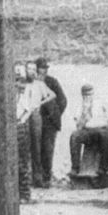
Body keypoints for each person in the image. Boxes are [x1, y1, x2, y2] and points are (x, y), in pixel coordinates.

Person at [69, 83, 108, 185]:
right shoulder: (80, 107)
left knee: (104, 136)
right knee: (74, 136)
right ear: (82, 95)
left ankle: (104, 167)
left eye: (89, 94)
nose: (87, 97)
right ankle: (75, 167)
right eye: (85, 95)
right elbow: (78, 127)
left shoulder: (100, 102)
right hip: (88, 132)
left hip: (101, 129)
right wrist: (84, 115)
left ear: (93, 94)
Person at [36, 57, 67, 188]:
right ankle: (37, 178)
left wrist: (55, 114)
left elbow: (63, 100)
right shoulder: (32, 82)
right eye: (41, 68)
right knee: (36, 149)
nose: (43, 71)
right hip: (36, 119)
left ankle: (47, 178)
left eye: (45, 68)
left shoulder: (52, 82)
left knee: (47, 149)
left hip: (49, 122)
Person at [24, 60, 55, 188]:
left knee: (36, 147)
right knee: (24, 146)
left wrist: (41, 104)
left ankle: (37, 178)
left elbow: (52, 95)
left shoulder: (39, 84)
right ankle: (24, 178)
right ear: (25, 70)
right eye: (29, 69)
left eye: (33, 69)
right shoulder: (22, 84)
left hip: (35, 116)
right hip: (23, 116)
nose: (31, 71)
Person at [14, 63, 32, 204]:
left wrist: (20, 122)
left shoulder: (23, 93)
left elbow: (28, 110)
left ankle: (24, 193)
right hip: (9, 126)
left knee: (22, 162)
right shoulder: (9, 93)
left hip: (19, 126)